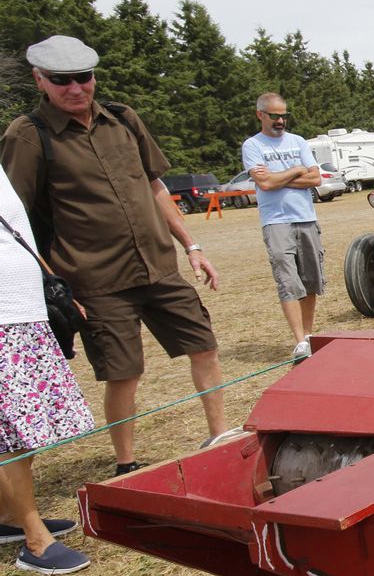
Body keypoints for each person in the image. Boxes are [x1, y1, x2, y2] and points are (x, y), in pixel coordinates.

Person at [0, 35, 227, 477]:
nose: (75, 88)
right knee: (124, 373)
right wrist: (51, 284)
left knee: (205, 347)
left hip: (158, 266)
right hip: (96, 279)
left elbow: (156, 187)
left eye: (82, 77)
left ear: (94, 76)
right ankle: (127, 463)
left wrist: (192, 246)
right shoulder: (28, 135)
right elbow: (14, 217)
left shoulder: (123, 119)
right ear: (39, 80)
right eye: (61, 80)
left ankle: (220, 434)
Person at [0, 164, 93, 574]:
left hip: (25, 311)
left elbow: (18, 232)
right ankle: (35, 540)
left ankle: (9, 517)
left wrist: (53, 282)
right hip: (4, 318)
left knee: (28, 427)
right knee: (12, 433)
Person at [241, 93, 324, 360]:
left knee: (310, 279)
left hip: (306, 218)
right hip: (275, 221)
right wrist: (296, 170)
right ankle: (299, 342)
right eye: (274, 116)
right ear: (260, 115)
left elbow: (316, 179)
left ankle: (309, 336)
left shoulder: (298, 141)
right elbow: (264, 185)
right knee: (288, 280)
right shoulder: (252, 145)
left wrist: (279, 177)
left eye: (284, 116)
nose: (280, 121)